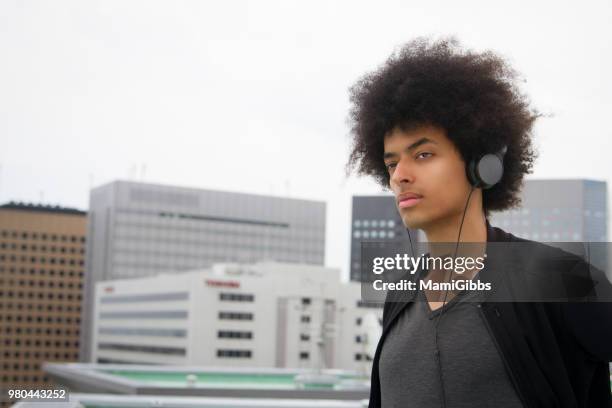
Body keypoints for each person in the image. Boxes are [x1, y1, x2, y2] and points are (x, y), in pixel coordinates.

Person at [346, 37, 612, 408]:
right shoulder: (399, 297)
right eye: (392, 163)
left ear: (482, 165)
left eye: (423, 154)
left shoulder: (560, 277)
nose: (400, 175)